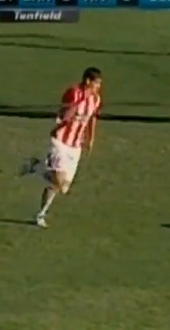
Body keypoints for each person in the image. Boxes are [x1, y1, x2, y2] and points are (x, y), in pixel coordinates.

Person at [20, 67, 103, 228]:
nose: (98, 87)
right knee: (57, 181)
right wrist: (80, 101)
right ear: (87, 81)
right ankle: (40, 215)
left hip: (75, 145)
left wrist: (91, 138)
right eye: (97, 83)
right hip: (60, 140)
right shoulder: (73, 92)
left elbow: (92, 117)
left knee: (63, 187)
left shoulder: (96, 99)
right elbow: (65, 115)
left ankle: (36, 166)